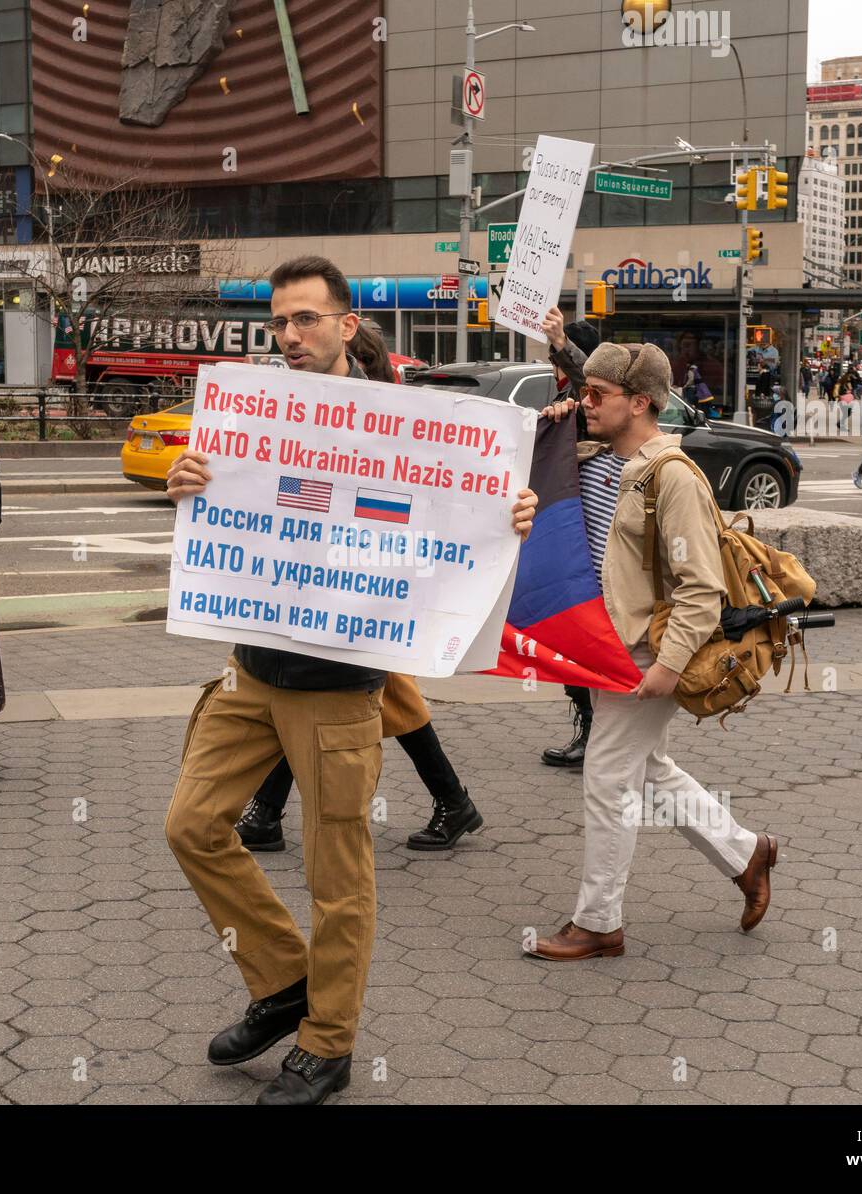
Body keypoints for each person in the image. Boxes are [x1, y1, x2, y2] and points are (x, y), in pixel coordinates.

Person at [163, 255, 537, 1105]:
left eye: (304, 319)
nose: (288, 336)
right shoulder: (250, 411)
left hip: (338, 687)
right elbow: (226, 501)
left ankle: (326, 1045)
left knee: (339, 876)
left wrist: (510, 512)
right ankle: (283, 981)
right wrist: (190, 478)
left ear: (345, 323)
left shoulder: (409, 420)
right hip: (251, 667)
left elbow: (471, 503)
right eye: (279, 322)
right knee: (191, 826)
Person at [524, 339, 778, 962]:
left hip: (644, 650)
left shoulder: (672, 477)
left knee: (608, 778)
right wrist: (550, 425)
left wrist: (667, 667)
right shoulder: (598, 456)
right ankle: (748, 853)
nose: (584, 403)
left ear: (641, 403)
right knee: (648, 769)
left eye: (597, 395)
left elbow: (701, 588)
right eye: (583, 392)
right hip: (603, 644)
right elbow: (535, 475)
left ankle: (598, 922)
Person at [236, 317, 485, 853]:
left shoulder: (380, 419)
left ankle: (267, 812)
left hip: (360, 585)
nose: (291, 338)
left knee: (322, 687)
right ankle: (450, 801)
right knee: (362, 692)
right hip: (338, 584)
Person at [539, 308, 608, 767]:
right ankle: (593, 730)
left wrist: (563, 342)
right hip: (570, 525)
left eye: (557, 356)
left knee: (589, 634)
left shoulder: (593, 395)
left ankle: (600, 737)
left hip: (593, 532)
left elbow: (589, 376)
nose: (553, 363)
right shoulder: (564, 394)